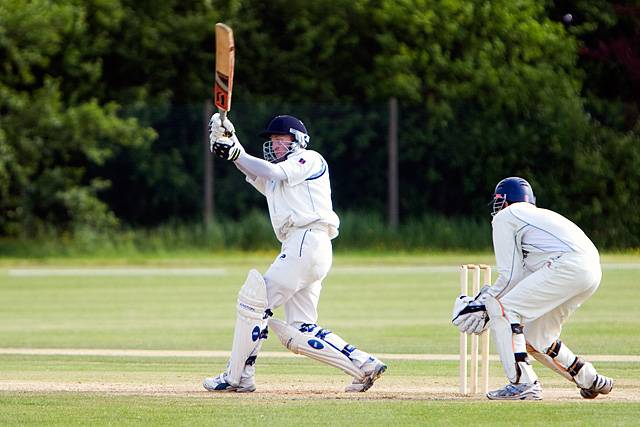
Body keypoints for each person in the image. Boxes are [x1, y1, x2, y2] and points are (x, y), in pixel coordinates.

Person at [202, 112, 386, 393]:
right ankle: (363, 365)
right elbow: (255, 171)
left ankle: (237, 377)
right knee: (301, 328)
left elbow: (271, 171)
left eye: (281, 139)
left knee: (254, 301)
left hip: (306, 241)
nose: (275, 144)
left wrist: (235, 150)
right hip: (308, 249)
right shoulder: (278, 177)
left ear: (298, 140)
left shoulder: (309, 159)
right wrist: (229, 138)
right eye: (273, 140)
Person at [452, 177, 613, 400]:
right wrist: (484, 302)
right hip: (590, 270)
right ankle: (589, 378)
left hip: (567, 265)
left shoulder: (507, 216)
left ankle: (521, 383)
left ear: (504, 201)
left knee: (503, 309)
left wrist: (482, 304)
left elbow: (510, 276)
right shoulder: (537, 222)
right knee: (536, 336)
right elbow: (520, 278)